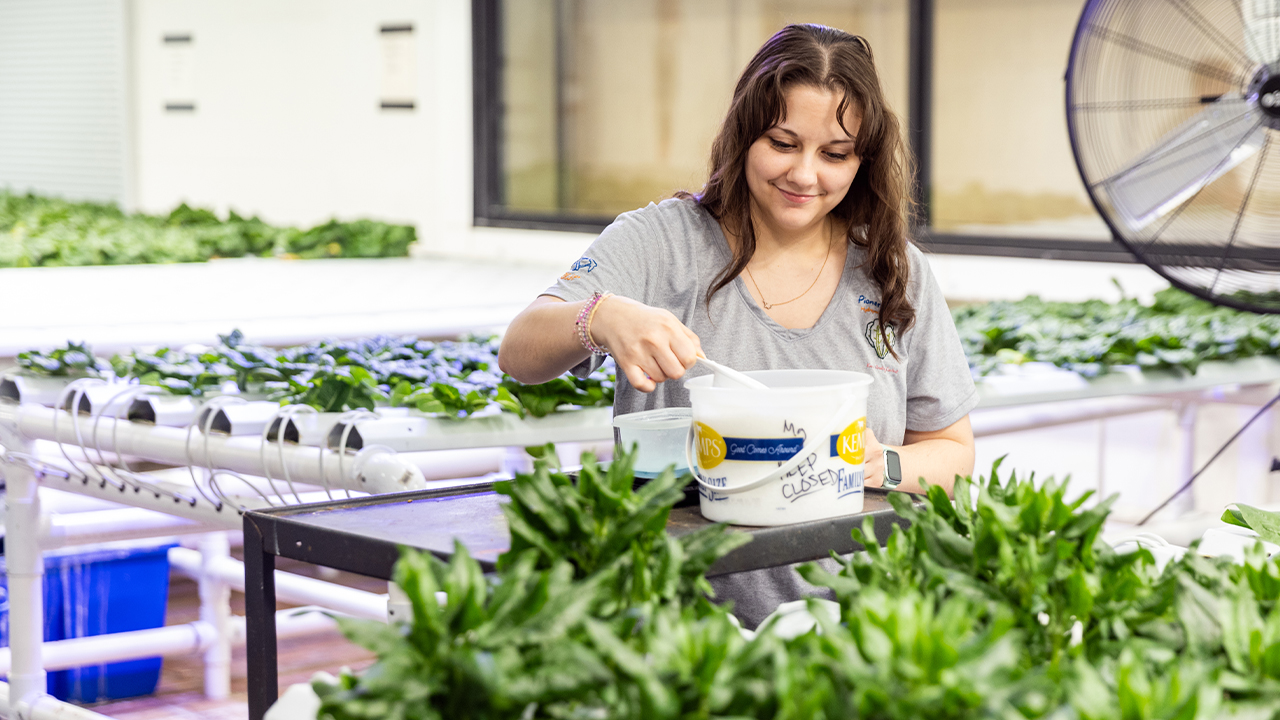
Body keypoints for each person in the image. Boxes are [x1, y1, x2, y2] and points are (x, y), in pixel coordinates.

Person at [498, 23, 977, 627]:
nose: (805, 175)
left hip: (860, 626)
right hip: (683, 627)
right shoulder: (659, 242)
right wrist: (598, 317)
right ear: (743, 134)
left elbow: (954, 453)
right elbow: (519, 350)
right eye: (782, 143)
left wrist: (880, 464)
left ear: (863, 160)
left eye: (835, 154)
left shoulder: (894, 270)